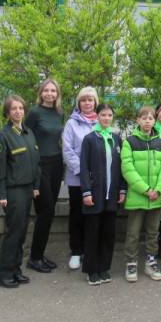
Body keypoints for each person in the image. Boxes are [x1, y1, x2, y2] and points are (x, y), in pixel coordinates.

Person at [0, 95, 41, 289]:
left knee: (21, 233)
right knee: (13, 233)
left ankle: (15, 269)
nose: (18, 112)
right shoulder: (3, 135)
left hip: (28, 189)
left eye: (21, 108)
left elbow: (36, 162)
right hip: (13, 191)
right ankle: (3, 273)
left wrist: (36, 186)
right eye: (14, 109)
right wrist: (1, 194)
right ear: (7, 112)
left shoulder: (28, 133)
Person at [79, 104, 126, 285]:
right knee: (93, 233)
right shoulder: (90, 139)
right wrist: (86, 191)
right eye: (103, 115)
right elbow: (84, 167)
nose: (106, 118)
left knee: (108, 233)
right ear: (97, 116)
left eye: (109, 115)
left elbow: (121, 168)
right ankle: (92, 270)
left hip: (111, 196)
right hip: (95, 194)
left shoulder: (116, 139)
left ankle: (104, 267)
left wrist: (122, 189)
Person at [121, 106, 161, 282]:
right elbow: (127, 169)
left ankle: (151, 262)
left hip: (156, 197)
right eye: (144, 118)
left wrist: (158, 189)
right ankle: (131, 263)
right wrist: (146, 190)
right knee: (133, 233)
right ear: (138, 120)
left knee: (153, 232)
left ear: (155, 121)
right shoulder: (130, 141)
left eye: (151, 118)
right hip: (137, 196)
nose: (147, 121)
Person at [25, 79, 64, 273]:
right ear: (41, 93)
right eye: (46, 91)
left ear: (57, 94)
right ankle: (34, 257)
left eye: (53, 91)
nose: (50, 94)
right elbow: (25, 137)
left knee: (50, 211)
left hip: (57, 164)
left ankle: (40, 255)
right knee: (45, 210)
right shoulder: (34, 113)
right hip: (40, 166)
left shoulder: (58, 113)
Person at [62, 87, 99, 270]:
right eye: (83, 100)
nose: (87, 103)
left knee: (92, 215)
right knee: (77, 215)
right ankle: (76, 251)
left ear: (95, 103)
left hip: (97, 180)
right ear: (79, 103)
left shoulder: (102, 122)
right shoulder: (71, 124)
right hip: (77, 179)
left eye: (90, 100)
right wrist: (84, 172)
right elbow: (67, 151)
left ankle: (90, 249)